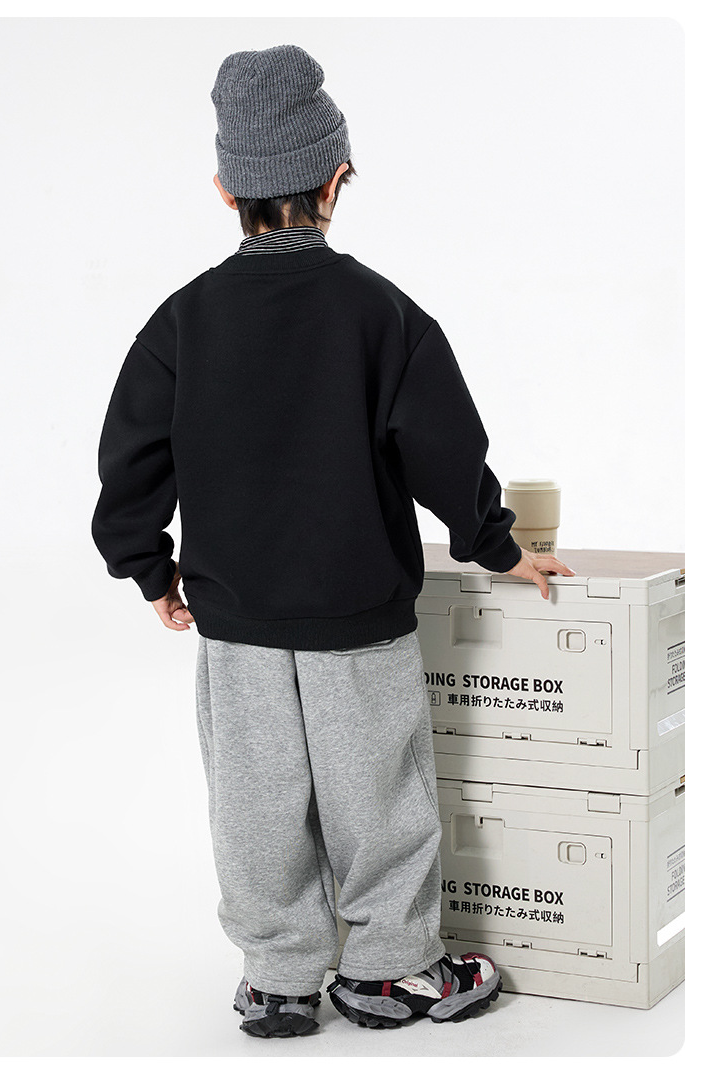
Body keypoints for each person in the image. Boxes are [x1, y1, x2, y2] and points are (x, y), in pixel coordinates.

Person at [91, 43, 576, 1039]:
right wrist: (497, 546)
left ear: (225, 189)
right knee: (379, 798)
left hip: (236, 623)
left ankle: (277, 978)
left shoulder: (180, 323)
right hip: (358, 618)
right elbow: (445, 449)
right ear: (337, 176)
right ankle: (390, 973)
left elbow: (130, 461)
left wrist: (150, 569)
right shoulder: (383, 314)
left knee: (254, 802)